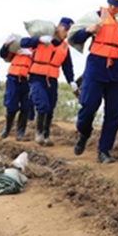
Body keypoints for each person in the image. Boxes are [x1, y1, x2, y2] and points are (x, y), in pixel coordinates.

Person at [70, 0, 118, 163]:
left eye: (117, 4)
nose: (113, 7)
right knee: (88, 106)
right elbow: (75, 39)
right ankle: (84, 133)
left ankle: (104, 151)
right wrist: (87, 31)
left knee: (114, 112)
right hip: (96, 65)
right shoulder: (96, 17)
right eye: (112, 2)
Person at [20, 17, 76, 146]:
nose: (66, 33)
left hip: (52, 79)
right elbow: (23, 42)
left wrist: (71, 81)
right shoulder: (42, 39)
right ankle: (38, 133)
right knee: (42, 105)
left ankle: (46, 135)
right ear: (58, 27)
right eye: (66, 29)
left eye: (69, 31)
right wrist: (38, 40)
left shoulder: (64, 47)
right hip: (37, 77)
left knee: (50, 108)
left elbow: (67, 66)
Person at [0, 34, 34, 140]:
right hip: (13, 79)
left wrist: (32, 54)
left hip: (28, 80)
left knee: (26, 107)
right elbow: (3, 54)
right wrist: (5, 45)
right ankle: (7, 129)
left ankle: (20, 133)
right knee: (11, 106)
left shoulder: (37, 49)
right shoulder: (17, 47)